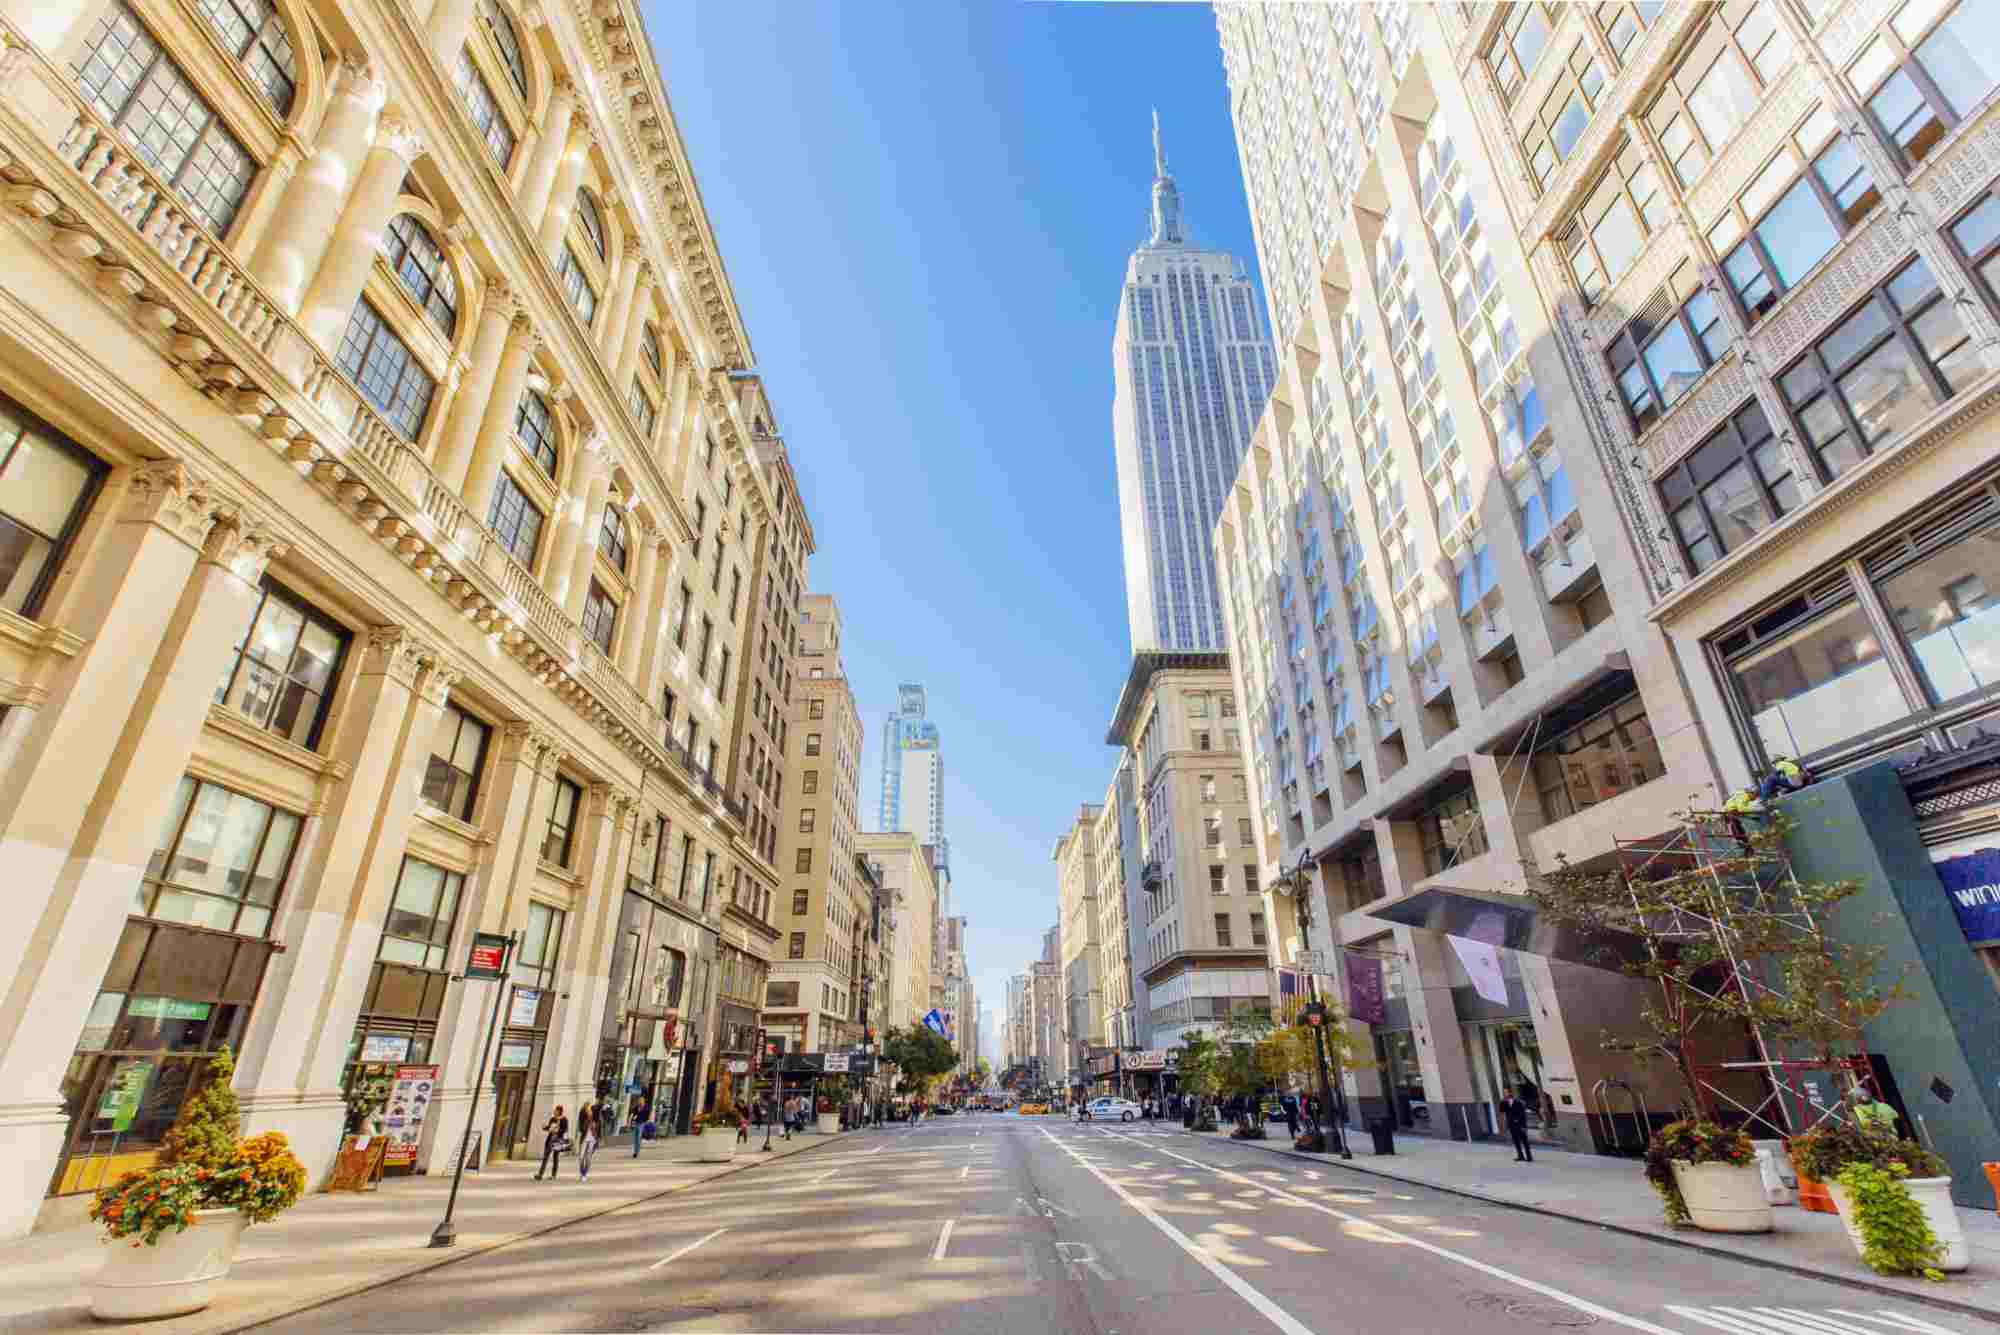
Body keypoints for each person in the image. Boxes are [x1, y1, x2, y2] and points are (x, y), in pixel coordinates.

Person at [535, 1105, 570, 1181]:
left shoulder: (564, 1119)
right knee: (545, 1157)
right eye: (554, 1110)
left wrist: (558, 1130)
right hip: (550, 1140)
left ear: (559, 1111)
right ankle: (540, 1175)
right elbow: (549, 1128)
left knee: (555, 1158)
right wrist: (545, 1127)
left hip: (558, 1141)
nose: (554, 1112)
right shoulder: (552, 1119)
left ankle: (553, 1175)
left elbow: (565, 1129)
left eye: (556, 1110)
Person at [1501, 1089, 1533, 1163]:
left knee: (1525, 1141)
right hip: (1511, 1125)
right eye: (1504, 1093)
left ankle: (1529, 1157)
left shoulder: (1519, 1102)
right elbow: (1503, 1112)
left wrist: (1524, 1126)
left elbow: (1523, 1115)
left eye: (1506, 1092)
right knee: (1516, 1142)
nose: (1505, 1094)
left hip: (1520, 1125)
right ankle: (1520, 1156)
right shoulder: (1504, 1103)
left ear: (1510, 1093)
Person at [576, 1103, 599, 1181]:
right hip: (584, 1138)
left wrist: (598, 1138)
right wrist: (588, 1121)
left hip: (592, 1139)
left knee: (588, 1157)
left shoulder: (595, 1116)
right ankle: (582, 1172)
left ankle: (584, 1174)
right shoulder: (583, 1118)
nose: (589, 1110)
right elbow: (581, 1128)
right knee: (581, 1157)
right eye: (587, 1109)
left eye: (589, 1109)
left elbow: (598, 1127)